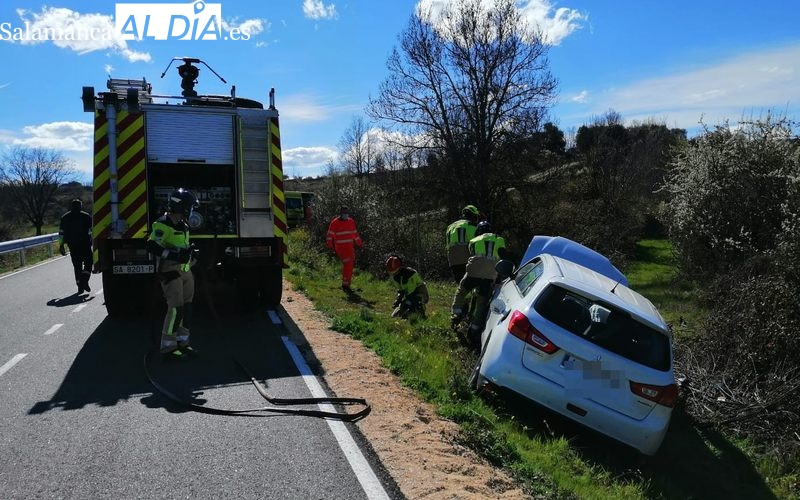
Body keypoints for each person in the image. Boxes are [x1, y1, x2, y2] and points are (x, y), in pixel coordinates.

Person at [146, 188, 200, 361]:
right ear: (182, 206)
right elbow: (152, 246)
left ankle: (183, 343)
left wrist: (191, 253)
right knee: (175, 309)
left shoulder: (183, 225)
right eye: (190, 206)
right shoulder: (163, 223)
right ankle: (168, 347)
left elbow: (181, 245)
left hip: (185, 271)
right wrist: (175, 255)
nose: (191, 210)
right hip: (170, 272)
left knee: (188, 309)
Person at [450, 221, 508, 347]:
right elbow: (503, 255)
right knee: (482, 301)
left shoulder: (474, 240)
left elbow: (472, 253)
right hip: (490, 275)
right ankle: (475, 328)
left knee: (462, 290)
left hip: (473, 271)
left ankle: (457, 312)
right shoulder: (499, 239)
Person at [58, 198, 93, 294]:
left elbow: (61, 233)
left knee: (77, 266)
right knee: (89, 263)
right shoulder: (86, 216)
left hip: (72, 245)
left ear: (71, 206)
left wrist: (61, 245)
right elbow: (91, 231)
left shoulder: (65, 217)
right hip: (85, 244)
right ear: (80, 206)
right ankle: (84, 280)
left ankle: (80, 286)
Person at [326, 205, 363, 292]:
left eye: (347, 212)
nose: (345, 214)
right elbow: (329, 235)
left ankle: (347, 284)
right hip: (341, 248)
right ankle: (345, 284)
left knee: (350, 265)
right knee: (348, 264)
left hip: (349, 247)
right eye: (344, 213)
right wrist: (330, 246)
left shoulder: (351, 221)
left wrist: (359, 243)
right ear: (340, 213)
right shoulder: (335, 222)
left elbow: (355, 233)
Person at [385, 254, 429, 319]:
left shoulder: (410, 274)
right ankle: (411, 311)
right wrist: (398, 299)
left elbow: (412, 293)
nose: (390, 273)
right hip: (409, 296)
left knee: (409, 308)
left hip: (419, 293)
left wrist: (404, 303)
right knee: (395, 316)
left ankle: (420, 311)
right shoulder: (395, 277)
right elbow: (400, 290)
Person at [445, 205, 480, 283]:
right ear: (472, 215)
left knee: (460, 282)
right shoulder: (470, 225)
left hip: (452, 257)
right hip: (465, 255)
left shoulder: (450, 226)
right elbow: (476, 242)